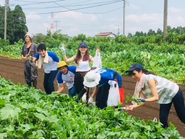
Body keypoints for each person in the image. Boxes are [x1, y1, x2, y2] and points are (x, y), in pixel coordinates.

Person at [125, 63, 185, 128]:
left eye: (134, 74)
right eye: (131, 74)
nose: (132, 77)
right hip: (164, 96)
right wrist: (132, 106)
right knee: (163, 120)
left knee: (182, 116)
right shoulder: (140, 84)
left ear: (140, 71)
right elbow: (142, 101)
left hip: (173, 91)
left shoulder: (149, 79)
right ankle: (166, 136)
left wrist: (144, 99)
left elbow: (156, 97)